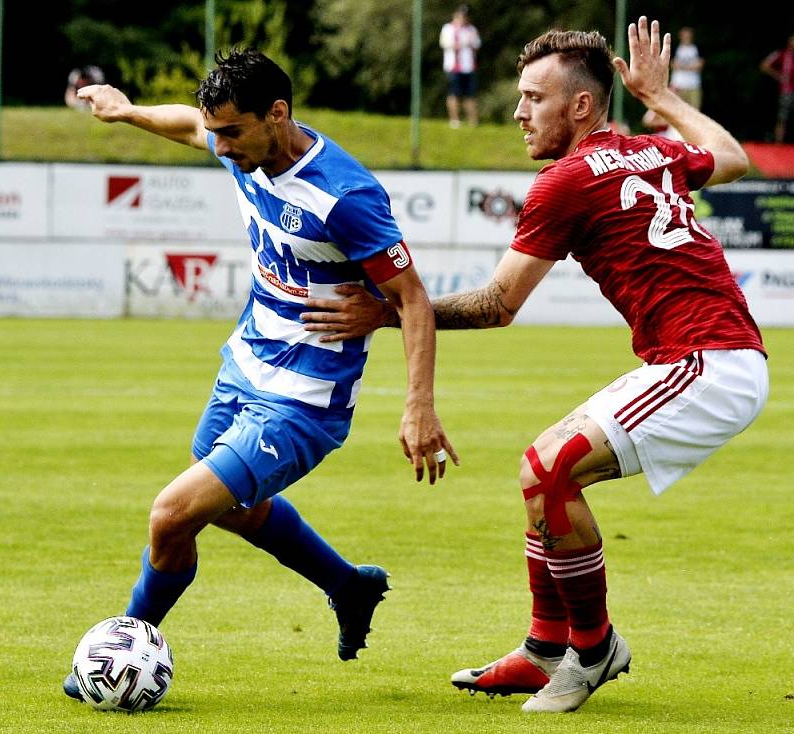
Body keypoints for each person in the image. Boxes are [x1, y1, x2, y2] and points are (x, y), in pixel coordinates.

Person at [301, 17, 768, 714]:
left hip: (710, 362)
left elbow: (497, 304)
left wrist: (389, 311)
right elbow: (731, 156)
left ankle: (595, 646)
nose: (518, 112)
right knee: (540, 474)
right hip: (707, 359)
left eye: (532, 98)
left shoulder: (568, 180)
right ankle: (545, 649)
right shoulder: (646, 152)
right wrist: (660, 98)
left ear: (580, 106)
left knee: (549, 471)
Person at [63, 49, 458, 701]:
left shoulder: (345, 195)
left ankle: (118, 654)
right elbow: (189, 126)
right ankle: (347, 585)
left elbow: (413, 297)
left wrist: (418, 404)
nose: (218, 144)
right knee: (223, 510)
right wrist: (127, 110)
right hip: (245, 364)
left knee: (170, 517)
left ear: (277, 115)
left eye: (231, 132)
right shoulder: (234, 143)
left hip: (306, 398)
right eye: (215, 131)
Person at [439, 5, 482, 128]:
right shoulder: (448, 29)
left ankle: (473, 120)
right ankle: (455, 120)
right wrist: (462, 44)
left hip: (468, 66)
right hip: (453, 67)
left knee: (470, 94)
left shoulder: (471, 30)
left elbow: (476, 45)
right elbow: (445, 44)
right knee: (454, 93)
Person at [759, 33, 794, 143]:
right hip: (786, 91)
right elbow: (764, 65)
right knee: (782, 117)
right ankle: (778, 144)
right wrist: (778, 76)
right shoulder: (782, 54)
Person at [669, 27, 703, 110]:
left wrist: (681, 66)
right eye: (685, 35)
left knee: (695, 111)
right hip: (678, 85)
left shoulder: (697, 48)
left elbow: (699, 66)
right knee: (677, 111)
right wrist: (691, 66)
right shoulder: (675, 48)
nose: (686, 37)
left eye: (688, 35)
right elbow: (672, 65)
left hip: (694, 85)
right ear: (680, 36)